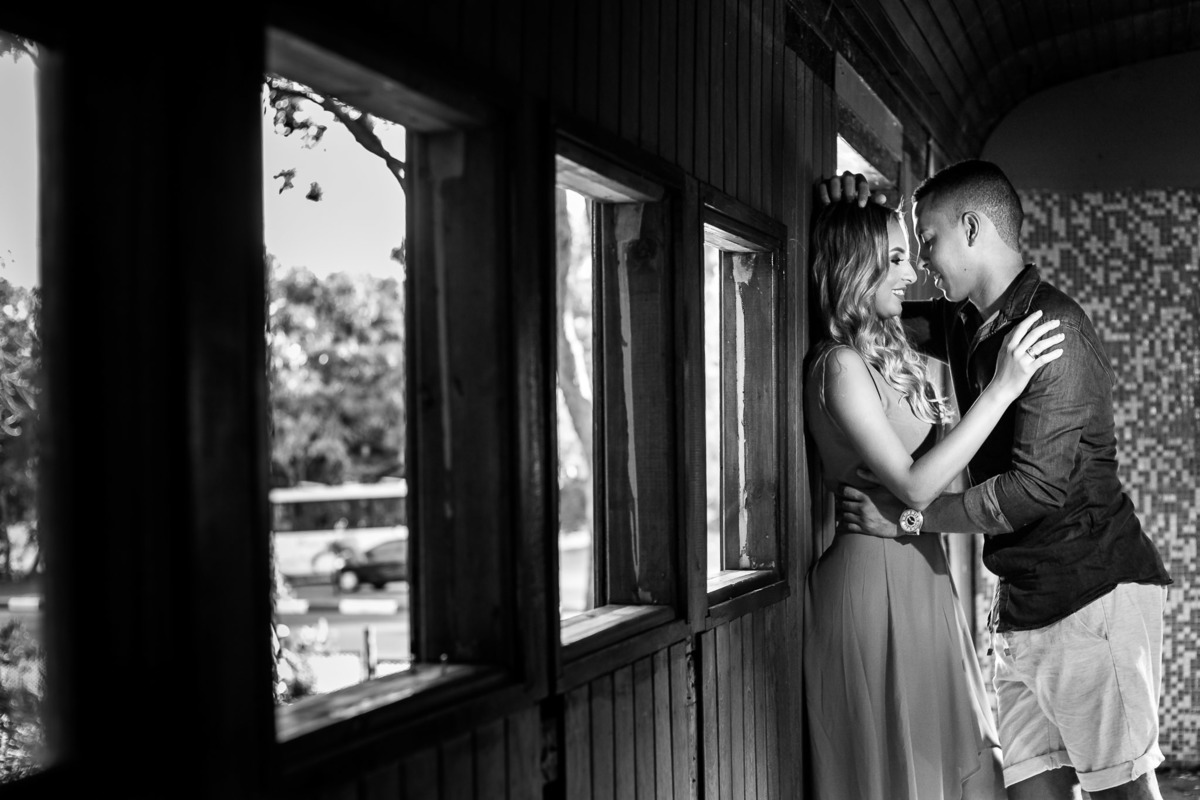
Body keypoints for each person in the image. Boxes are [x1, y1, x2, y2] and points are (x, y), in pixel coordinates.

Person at [825, 161, 1173, 800]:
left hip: (1094, 595)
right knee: (1028, 793)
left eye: (927, 243)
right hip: (1025, 604)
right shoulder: (963, 322)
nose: (923, 263)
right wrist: (852, 220)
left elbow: (1033, 491)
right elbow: (872, 302)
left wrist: (910, 518)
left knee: (1124, 791)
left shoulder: (1053, 332)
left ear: (971, 228)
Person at [802, 198, 1065, 800]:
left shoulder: (890, 357)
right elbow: (916, 485)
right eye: (895, 258)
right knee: (896, 768)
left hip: (925, 574)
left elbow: (940, 486)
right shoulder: (839, 366)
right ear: (855, 267)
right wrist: (1000, 389)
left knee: (957, 768)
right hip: (871, 583)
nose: (911, 272)